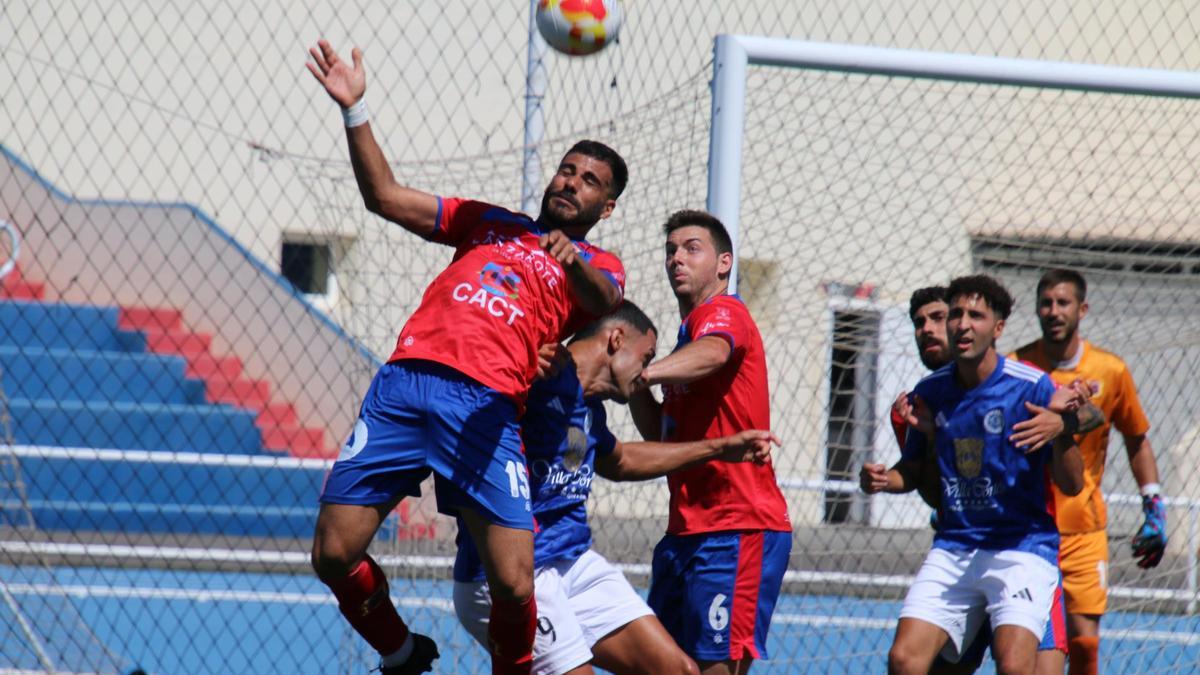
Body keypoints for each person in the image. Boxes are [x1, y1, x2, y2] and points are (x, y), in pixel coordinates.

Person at [306, 40, 627, 674]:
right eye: (567, 170)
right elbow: (384, 196)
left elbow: (605, 299)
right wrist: (354, 108)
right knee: (333, 553)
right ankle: (401, 654)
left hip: (485, 406)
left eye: (589, 180)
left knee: (513, 583)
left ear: (606, 206)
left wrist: (571, 265)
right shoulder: (487, 221)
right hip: (404, 385)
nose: (571, 182)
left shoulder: (596, 265)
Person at [453, 301, 780, 675]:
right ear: (616, 339)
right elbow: (468, 379)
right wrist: (524, 349)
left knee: (679, 671)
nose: (646, 371)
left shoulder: (588, 407)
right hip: (510, 574)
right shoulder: (534, 375)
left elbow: (621, 461)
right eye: (647, 357)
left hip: (573, 561)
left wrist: (720, 448)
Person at [865, 285, 1101, 675]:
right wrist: (882, 478)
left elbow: (1084, 444)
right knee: (905, 660)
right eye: (954, 315)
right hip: (956, 546)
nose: (960, 325)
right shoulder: (925, 397)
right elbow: (923, 481)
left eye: (973, 316)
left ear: (998, 327)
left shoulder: (1030, 385)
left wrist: (1062, 425)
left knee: (1017, 666)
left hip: (1022, 548)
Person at [628, 210, 791, 675]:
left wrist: (645, 372)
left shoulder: (724, 314)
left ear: (724, 263)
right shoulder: (683, 343)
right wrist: (633, 383)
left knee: (713, 668)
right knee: (664, 666)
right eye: (671, 250)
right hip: (685, 530)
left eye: (691, 248)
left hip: (737, 528)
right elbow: (661, 437)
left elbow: (716, 352)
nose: (676, 258)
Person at [1011, 268, 1167, 675]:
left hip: (1083, 530)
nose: (1054, 311)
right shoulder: (1015, 366)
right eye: (1046, 303)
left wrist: (1153, 506)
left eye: (1063, 303)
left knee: (1084, 645)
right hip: (1023, 528)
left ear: (1082, 309)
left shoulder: (1110, 370)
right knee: (1021, 650)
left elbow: (1137, 439)